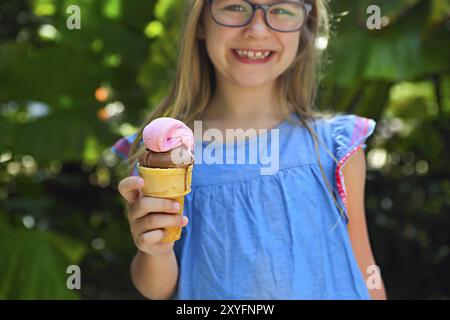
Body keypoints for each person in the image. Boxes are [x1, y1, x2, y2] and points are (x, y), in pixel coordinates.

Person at [113, 0, 387, 299]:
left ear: (305, 25)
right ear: (201, 21)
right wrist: (156, 246)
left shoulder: (336, 146)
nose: (257, 30)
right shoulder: (164, 151)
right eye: (234, 6)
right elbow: (157, 290)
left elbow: (364, 269)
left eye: (282, 9)